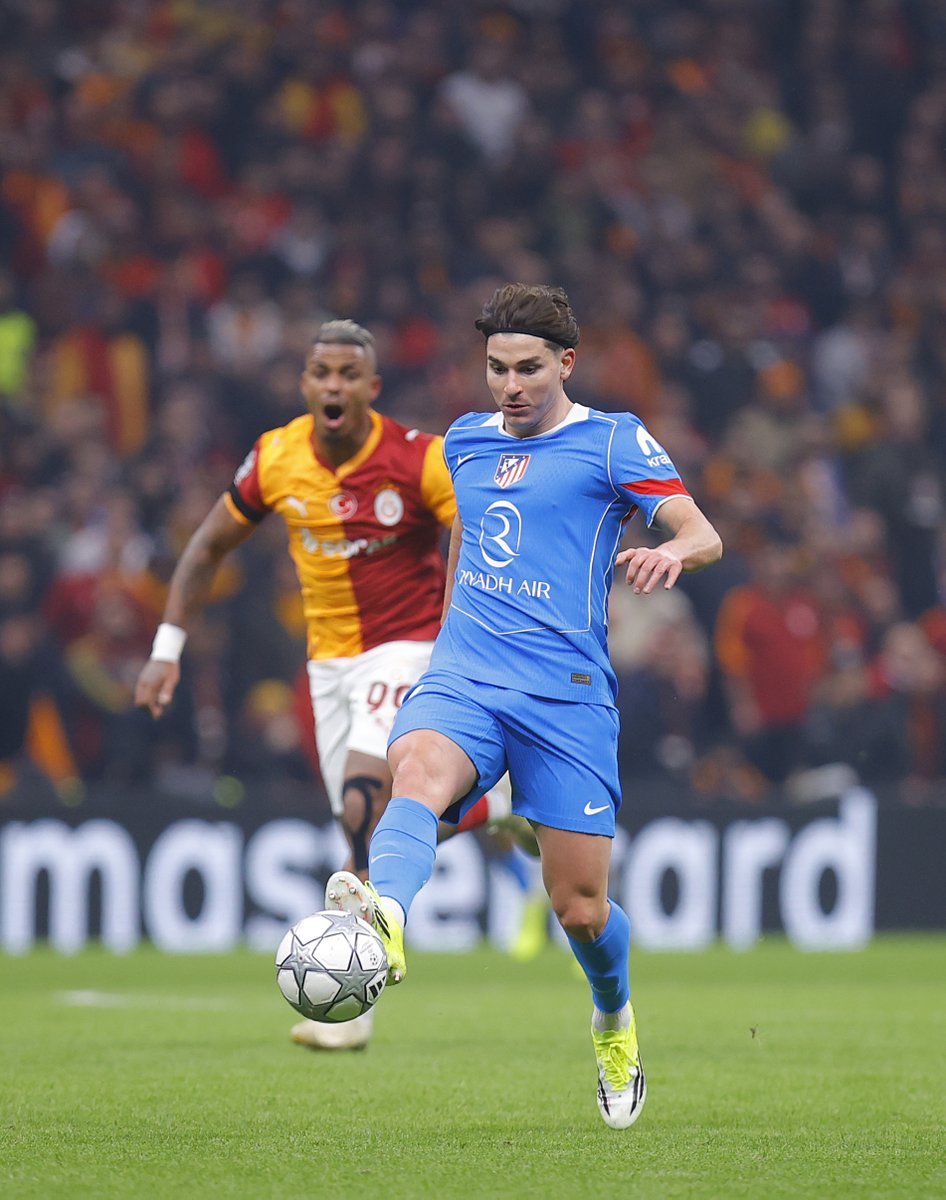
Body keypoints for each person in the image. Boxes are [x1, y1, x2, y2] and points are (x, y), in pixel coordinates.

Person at [324, 284, 723, 1128]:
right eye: (498, 368)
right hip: (467, 674)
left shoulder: (613, 441)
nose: (511, 385)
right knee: (415, 770)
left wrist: (674, 555)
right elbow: (466, 538)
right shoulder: (465, 441)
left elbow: (701, 531)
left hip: (564, 698)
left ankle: (612, 1018)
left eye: (529, 369)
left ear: (566, 363)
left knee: (581, 910)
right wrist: (443, 638)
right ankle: (383, 919)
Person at [134, 319, 508, 1051]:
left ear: (372, 387)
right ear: (305, 385)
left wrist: (462, 634)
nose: (334, 385)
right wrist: (166, 648)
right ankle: (491, 808)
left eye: (348, 374)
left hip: (410, 649)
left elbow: (476, 527)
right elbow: (207, 548)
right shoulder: (277, 457)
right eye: (322, 373)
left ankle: (351, 1008)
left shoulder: (418, 457)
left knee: (366, 803)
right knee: (364, 829)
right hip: (329, 666)